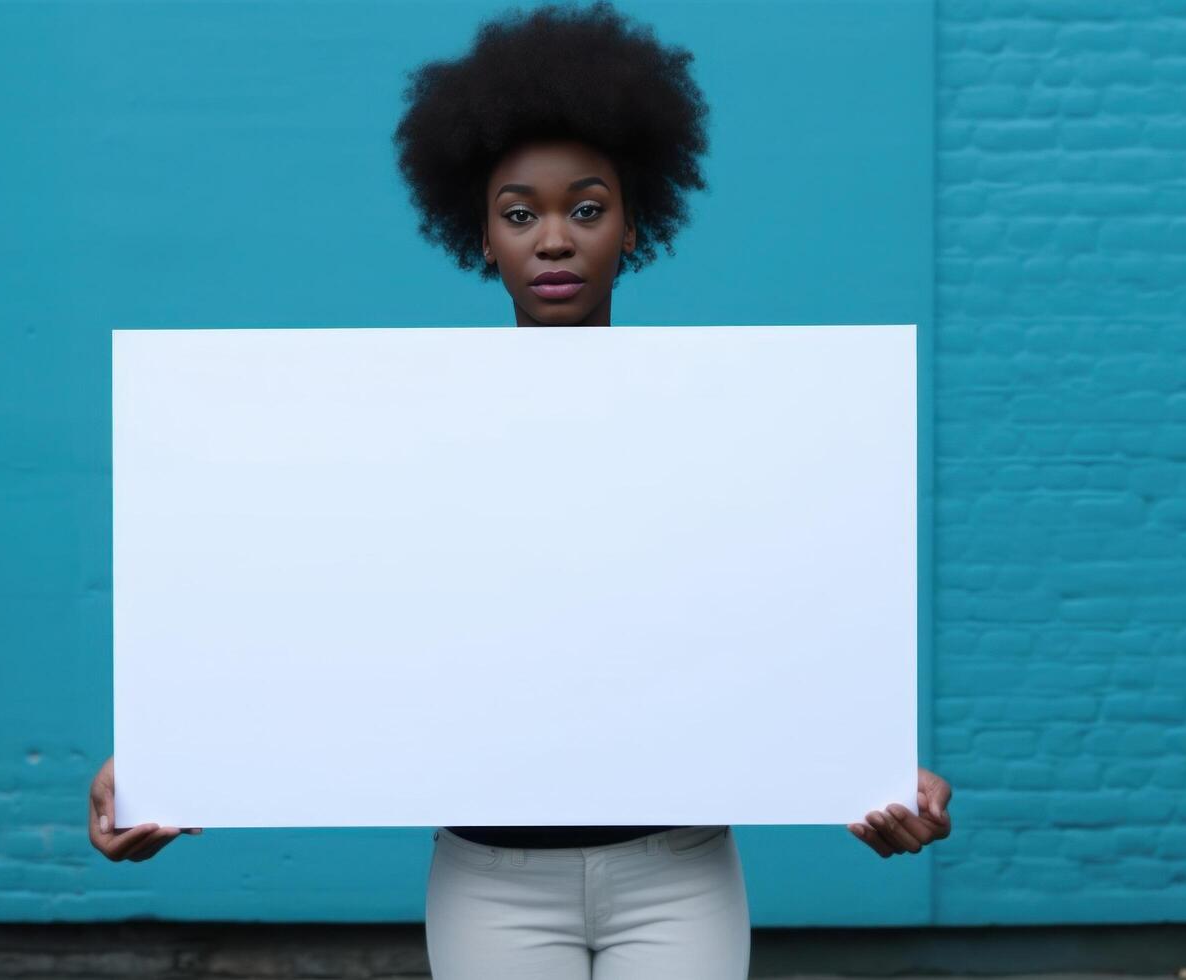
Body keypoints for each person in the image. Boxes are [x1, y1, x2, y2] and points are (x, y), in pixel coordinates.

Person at [89, 2, 953, 976]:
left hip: (680, 869)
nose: (553, 237)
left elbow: (783, 609)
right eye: (519, 213)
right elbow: (323, 600)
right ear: (483, 237)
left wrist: (871, 768)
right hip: (488, 878)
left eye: (586, 208)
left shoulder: (725, 424)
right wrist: (172, 753)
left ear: (633, 228)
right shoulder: (403, 436)